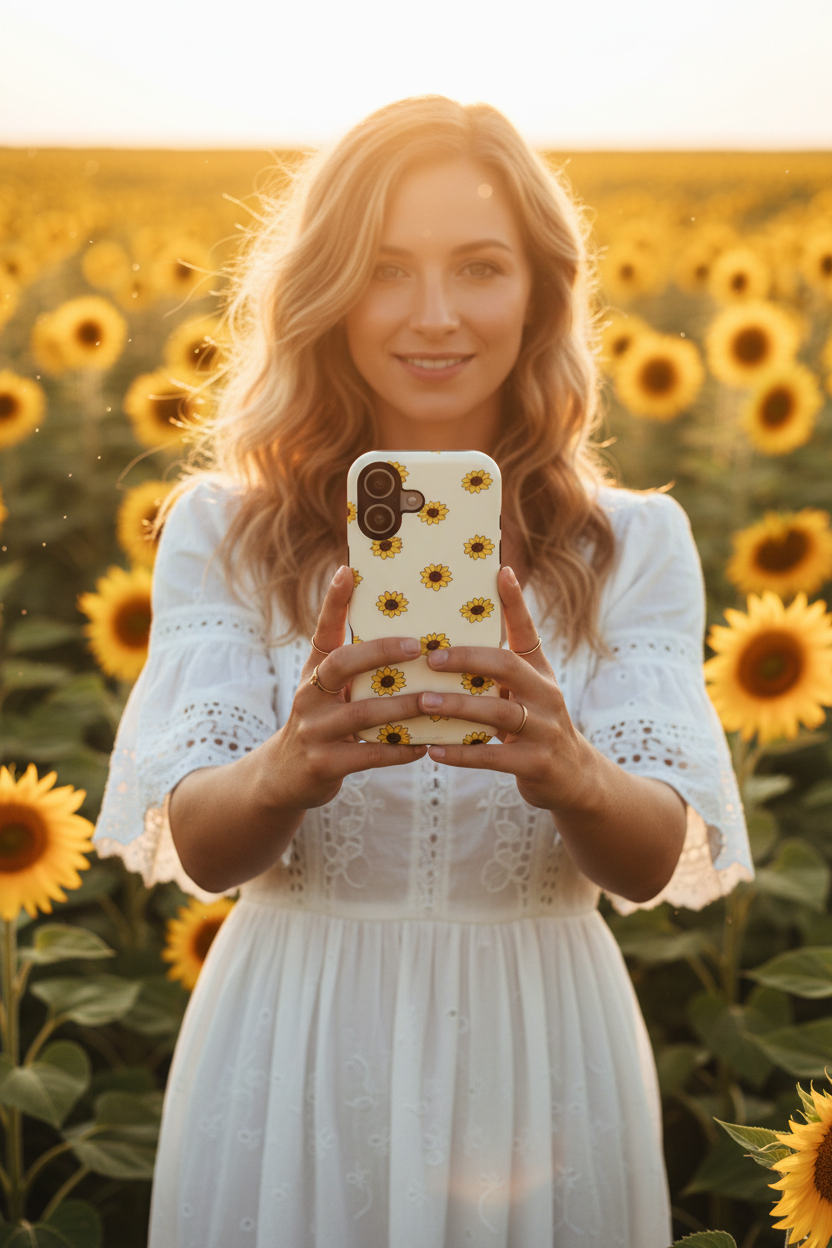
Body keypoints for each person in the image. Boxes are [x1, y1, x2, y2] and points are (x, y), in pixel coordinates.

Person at [94, 96, 753, 1248]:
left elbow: (650, 863)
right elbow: (202, 843)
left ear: (544, 291)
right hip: (297, 1040)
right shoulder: (226, 530)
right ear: (327, 290)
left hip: (538, 1051)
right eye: (385, 269)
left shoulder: (631, 545)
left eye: (481, 268)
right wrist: (286, 767)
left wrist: (575, 774)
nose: (435, 316)